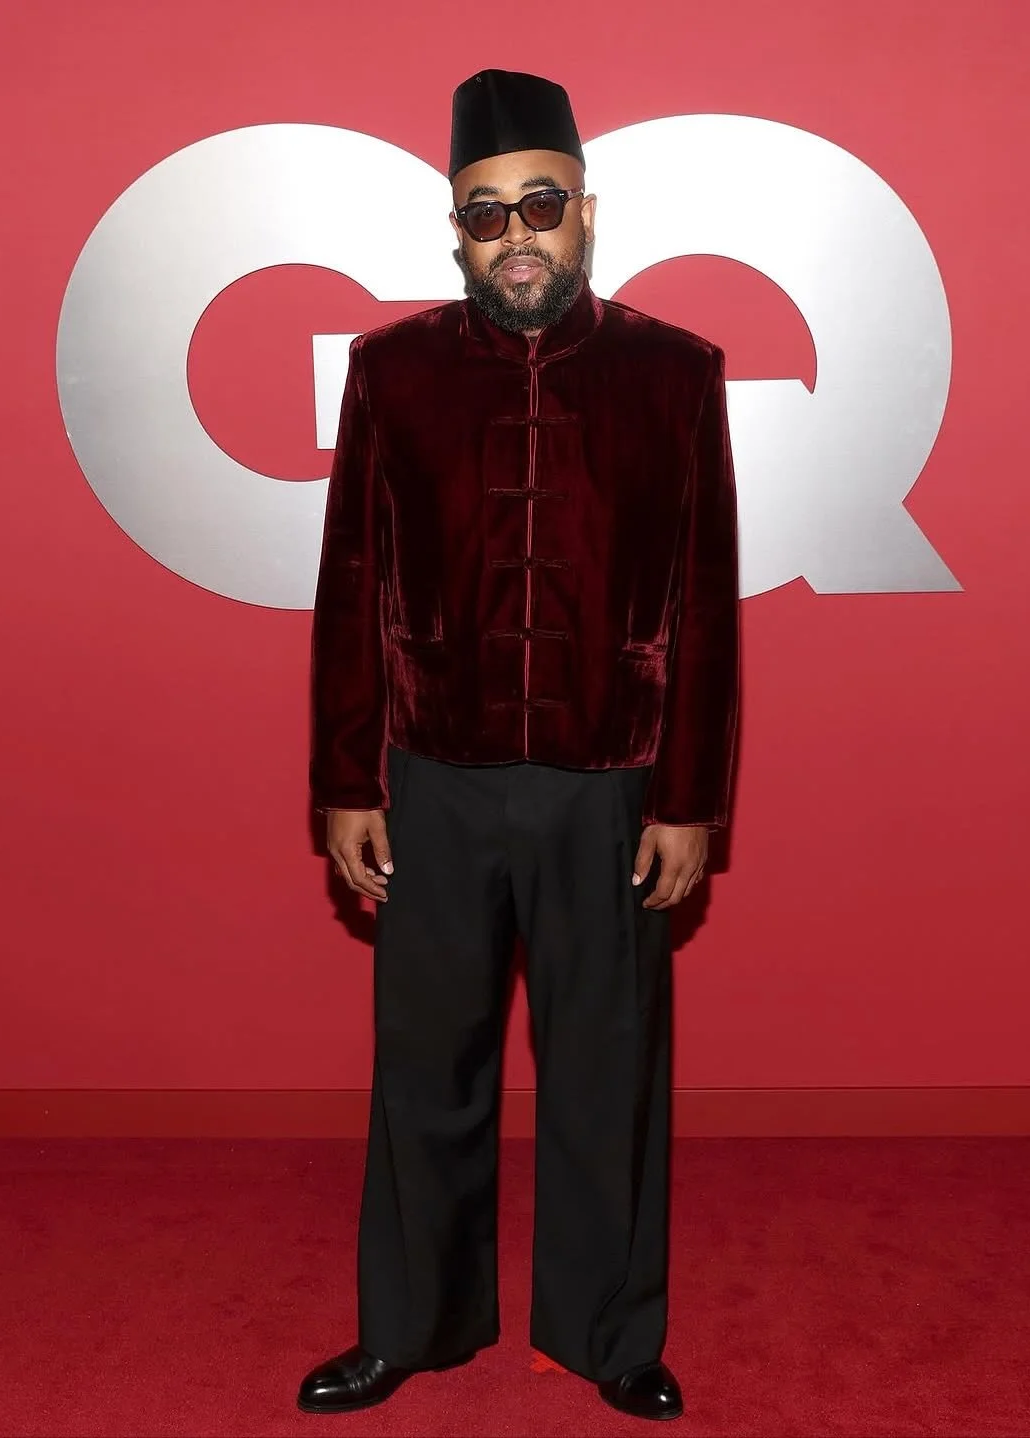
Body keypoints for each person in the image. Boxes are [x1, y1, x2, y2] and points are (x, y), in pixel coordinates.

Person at [297, 68, 740, 1423]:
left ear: (588, 213)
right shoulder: (394, 372)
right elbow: (353, 584)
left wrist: (689, 802)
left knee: (608, 1069)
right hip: (433, 782)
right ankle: (410, 1325)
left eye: (541, 205)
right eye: (487, 215)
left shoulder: (674, 373)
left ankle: (612, 1337)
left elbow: (701, 597)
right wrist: (342, 777)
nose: (518, 235)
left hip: (612, 787)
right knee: (425, 1061)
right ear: (458, 232)